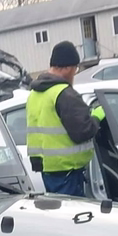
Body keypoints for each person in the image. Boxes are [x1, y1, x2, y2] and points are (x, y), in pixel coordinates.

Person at [26, 41, 104, 197]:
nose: (74, 74)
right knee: (71, 216)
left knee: (58, 216)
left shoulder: (34, 94)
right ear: (68, 68)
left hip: (48, 169)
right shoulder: (65, 94)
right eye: (75, 69)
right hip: (67, 171)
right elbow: (83, 131)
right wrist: (97, 116)